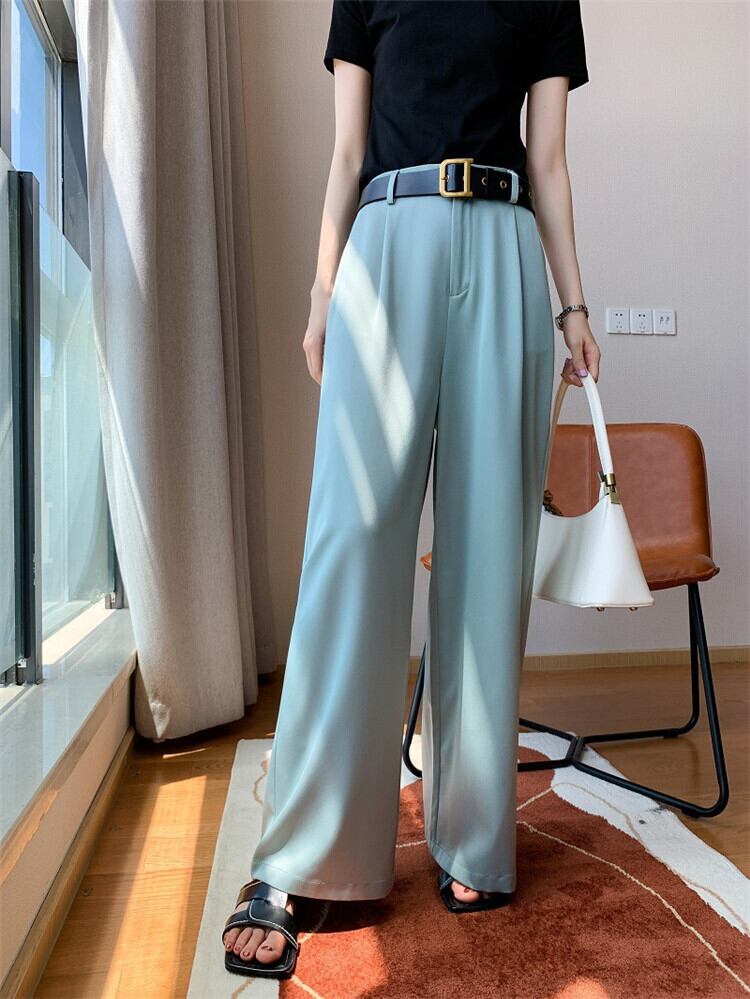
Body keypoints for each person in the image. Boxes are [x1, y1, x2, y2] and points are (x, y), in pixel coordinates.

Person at [222, 0, 601, 980]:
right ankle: (301, 855)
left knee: (489, 553)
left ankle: (474, 837)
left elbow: (549, 160)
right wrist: (321, 293)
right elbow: (348, 151)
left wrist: (572, 303)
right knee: (351, 544)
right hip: (385, 244)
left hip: (507, 249)